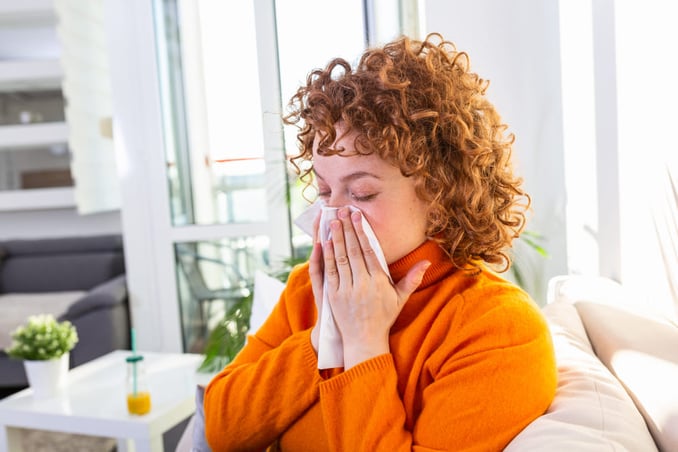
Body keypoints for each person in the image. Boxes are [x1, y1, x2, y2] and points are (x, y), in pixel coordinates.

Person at [204, 33, 557, 451]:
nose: (332, 218)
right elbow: (221, 430)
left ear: (441, 195)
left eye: (361, 193)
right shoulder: (308, 290)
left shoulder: (496, 329)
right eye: (323, 191)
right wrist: (323, 338)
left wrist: (364, 344)